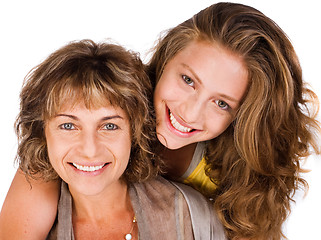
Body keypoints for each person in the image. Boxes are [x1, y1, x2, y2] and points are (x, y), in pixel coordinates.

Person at [0, 2, 320, 240]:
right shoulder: (104, 106)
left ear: (243, 115)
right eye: (188, 80)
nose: (190, 113)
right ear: (165, 59)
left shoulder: (236, 176)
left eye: (221, 103)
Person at [0, 39, 226, 239]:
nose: (90, 149)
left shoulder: (191, 216)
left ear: (135, 131)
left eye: (109, 126)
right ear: (43, 133)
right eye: (68, 126)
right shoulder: (30, 222)